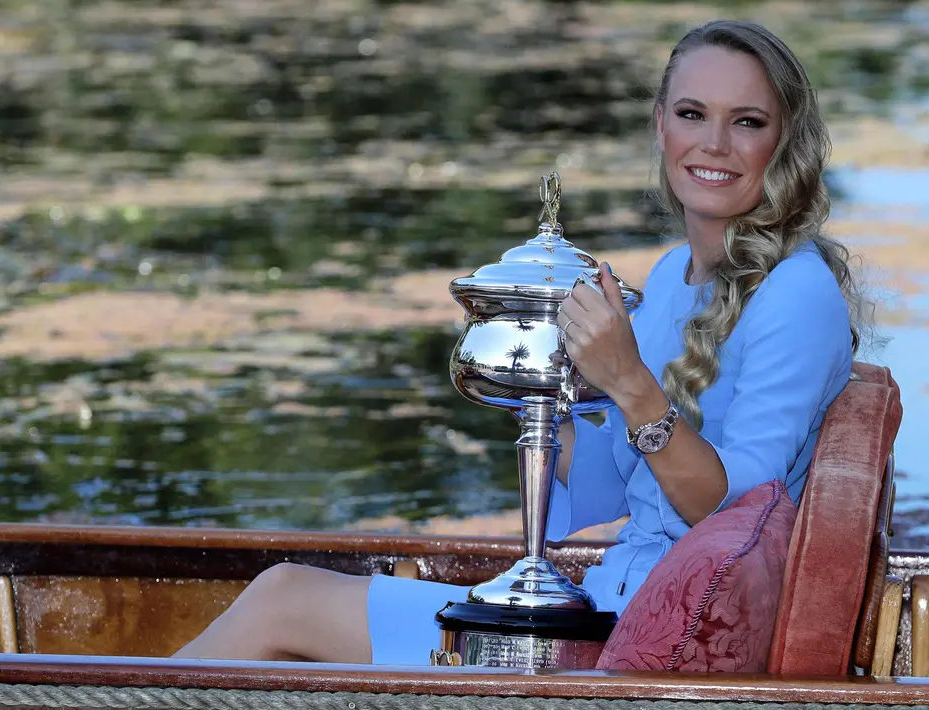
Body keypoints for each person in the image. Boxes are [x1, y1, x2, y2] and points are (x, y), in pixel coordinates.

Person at [172, 18, 874, 665]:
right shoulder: (669, 275)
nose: (713, 145)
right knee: (284, 591)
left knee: (281, 600)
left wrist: (629, 382)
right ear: (659, 125)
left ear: (782, 141)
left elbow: (733, 515)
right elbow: (606, 485)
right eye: (692, 114)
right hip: (607, 601)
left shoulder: (794, 292)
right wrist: (531, 376)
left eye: (745, 122)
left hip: (641, 638)